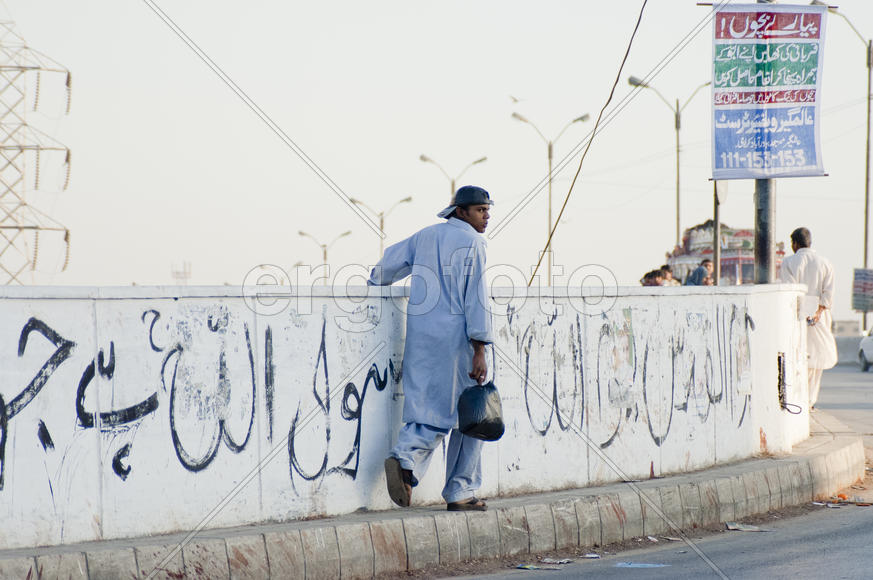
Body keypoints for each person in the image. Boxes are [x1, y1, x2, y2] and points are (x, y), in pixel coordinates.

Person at [368, 185, 495, 511]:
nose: (486, 216)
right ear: (461, 211)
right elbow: (476, 298)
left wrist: (372, 289)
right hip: (458, 342)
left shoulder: (425, 236)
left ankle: (410, 462)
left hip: (422, 339)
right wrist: (479, 348)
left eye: (487, 210)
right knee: (473, 415)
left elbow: (382, 272)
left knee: (429, 408)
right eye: (480, 210)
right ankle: (454, 488)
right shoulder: (473, 243)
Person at [778, 227, 837, 409]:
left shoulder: (789, 262)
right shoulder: (825, 263)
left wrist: (803, 312)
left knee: (797, 358)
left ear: (795, 243)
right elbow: (828, 294)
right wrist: (816, 312)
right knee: (816, 361)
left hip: (797, 317)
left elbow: (789, 292)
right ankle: (810, 401)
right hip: (819, 317)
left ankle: (799, 399)